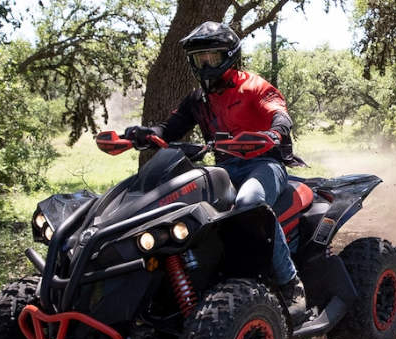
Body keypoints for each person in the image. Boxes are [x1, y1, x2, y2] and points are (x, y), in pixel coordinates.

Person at [124, 21, 307, 317]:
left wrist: (274, 132)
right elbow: (170, 128)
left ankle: (290, 282)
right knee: (177, 208)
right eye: (200, 59)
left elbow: (279, 113)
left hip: (265, 164)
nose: (207, 64)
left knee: (249, 204)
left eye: (213, 57)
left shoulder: (255, 87)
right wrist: (144, 133)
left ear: (231, 55)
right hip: (222, 168)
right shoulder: (199, 99)